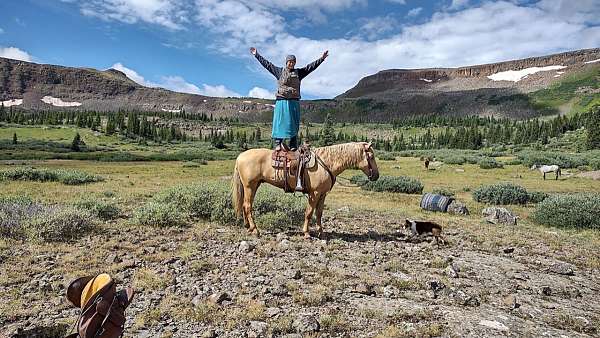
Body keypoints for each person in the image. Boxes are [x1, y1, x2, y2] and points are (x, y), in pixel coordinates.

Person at [250, 47, 328, 150]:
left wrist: (321, 59)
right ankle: (278, 143)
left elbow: (311, 67)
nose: (291, 63)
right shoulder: (279, 71)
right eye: (289, 62)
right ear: (286, 62)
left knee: (293, 123)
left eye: (293, 62)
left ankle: (293, 145)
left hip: (294, 101)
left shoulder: (299, 73)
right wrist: (257, 55)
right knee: (280, 121)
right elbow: (267, 64)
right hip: (281, 100)